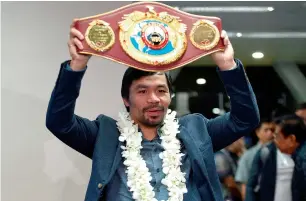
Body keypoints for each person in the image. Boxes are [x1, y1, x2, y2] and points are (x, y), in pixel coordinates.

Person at [45, 19, 260, 201]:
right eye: (142, 91)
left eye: (161, 90)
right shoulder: (105, 135)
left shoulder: (196, 130)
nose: (154, 99)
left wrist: (228, 66)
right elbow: (59, 122)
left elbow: (245, 119)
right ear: (125, 99)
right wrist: (76, 67)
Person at [245, 115, 306, 201]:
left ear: (291, 139)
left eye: (277, 136)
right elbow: (251, 185)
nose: (274, 139)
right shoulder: (266, 152)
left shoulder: (302, 158)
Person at [235, 119, 274, 200]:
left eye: (272, 130)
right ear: (257, 132)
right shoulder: (248, 155)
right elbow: (244, 183)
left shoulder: (279, 152)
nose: (270, 133)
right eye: (266, 130)